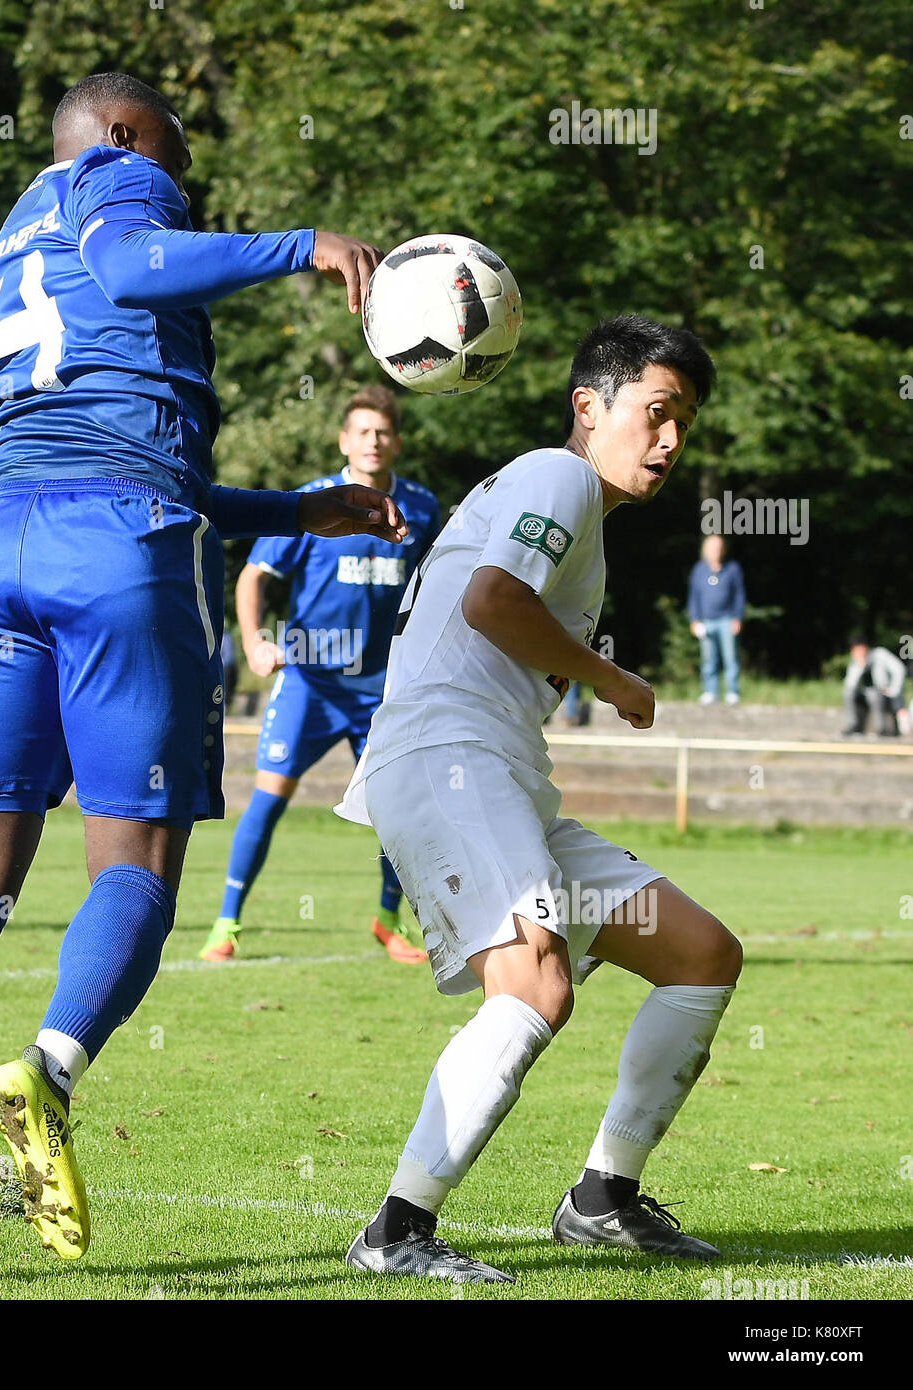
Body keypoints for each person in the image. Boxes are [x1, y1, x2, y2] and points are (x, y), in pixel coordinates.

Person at [0, 70, 405, 1275]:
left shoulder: (9, 241)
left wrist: (297, 509)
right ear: (123, 134)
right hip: (116, 549)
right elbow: (139, 273)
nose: (177, 185)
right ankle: (44, 1069)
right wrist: (303, 245)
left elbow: (99, 423)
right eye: (177, 159)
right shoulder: (117, 173)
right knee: (138, 870)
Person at [337, 316, 741, 1283]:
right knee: (536, 985)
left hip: (503, 775)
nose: (672, 439)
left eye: (684, 420)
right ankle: (396, 1232)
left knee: (699, 953)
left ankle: (603, 1200)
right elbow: (490, 603)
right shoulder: (555, 477)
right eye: (657, 412)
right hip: (449, 759)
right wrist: (610, 676)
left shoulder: (581, 517)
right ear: (588, 408)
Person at [199, 386, 441, 965]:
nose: (373, 441)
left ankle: (388, 921)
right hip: (310, 681)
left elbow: (441, 588)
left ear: (397, 442)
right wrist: (255, 641)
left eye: (383, 432)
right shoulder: (316, 501)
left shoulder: (424, 508)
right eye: (362, 431)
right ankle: (226, 923)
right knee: (268, 799)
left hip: (383, 688)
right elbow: (253, 575)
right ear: (344, 441)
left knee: (397, 810)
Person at [687, 533, 745, 705]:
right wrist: (695, 619)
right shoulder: (699, 569)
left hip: (727, 620)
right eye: (713, 548)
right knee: (708, 659)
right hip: (706, 621)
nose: (716, 551)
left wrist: (738, 618)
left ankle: (733, 692)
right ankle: (710, 692)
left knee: (730, 658)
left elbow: (739, 595)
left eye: (719, 548)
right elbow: (694, 597)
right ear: (706, 550)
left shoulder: (732, 568)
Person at [841, 635, 907, 737]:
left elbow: (899, 669)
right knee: (848, 693)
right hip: (865, 695)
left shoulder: (880, 654)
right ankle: (854, 726)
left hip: (883, 693)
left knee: (874, 695)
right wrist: (860, 666)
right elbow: (850, 685)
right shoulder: (855, 662)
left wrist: (893, 689)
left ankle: (882, 728)